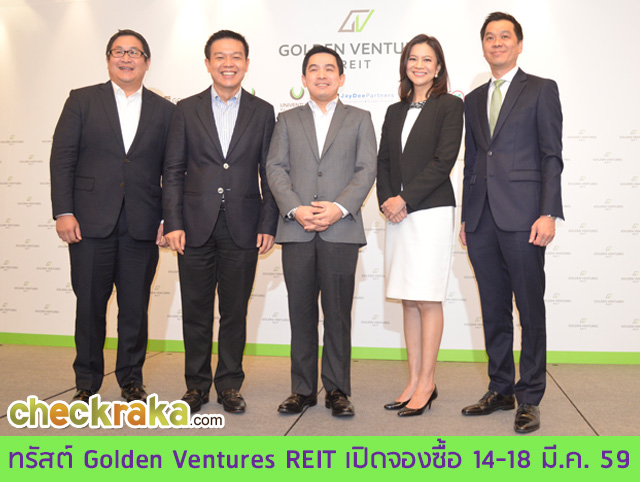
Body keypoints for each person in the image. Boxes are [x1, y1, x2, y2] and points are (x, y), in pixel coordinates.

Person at [50, 29, 175, 403]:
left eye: (134, 52)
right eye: (118, 51)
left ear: (147, 62)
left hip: (143, 223)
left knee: (135, 308)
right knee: (89, 306)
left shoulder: (165, 110)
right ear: (108, 59)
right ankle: (86, 382)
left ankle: (131, 380)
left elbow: (172, 170)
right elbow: (63, 159)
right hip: (89, 223)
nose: (126, 58)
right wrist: (64, 211)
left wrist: (168, 219)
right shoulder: (82, 100)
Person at [163, 30, 278, 414]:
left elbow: (269, 173)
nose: (228, 63)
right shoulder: (185, 109)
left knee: (234, 312)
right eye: (220, 57)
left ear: (246, 63)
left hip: (243, 226)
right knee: (195, 311)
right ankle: (196, 386)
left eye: (236, 57)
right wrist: (173, 221)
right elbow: (173, 170)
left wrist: (268, 223)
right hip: (194, 226)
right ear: (208, 63)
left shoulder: (263, 111)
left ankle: (229, 384)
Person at [460, 12, 563, 433]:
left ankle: (530, 396)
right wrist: (467, 217)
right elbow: (472, 161)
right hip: (481, 218)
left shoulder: (540, 89)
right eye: (490, 37)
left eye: (505, 36)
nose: (497, 42)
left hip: (525, 217)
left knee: (530, 308)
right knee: (493, 308)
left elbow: (551, 155)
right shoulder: (472, 99)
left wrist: (548, 212)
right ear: (483, 46)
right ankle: (500, 387)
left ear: (519, 45)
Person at [266, 46, 377, 417]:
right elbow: (275, 168)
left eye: (330, 69)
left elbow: (366, 169)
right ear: (303, 79)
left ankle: (337, 390)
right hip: (297, 230)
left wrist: (338, 208)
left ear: (341, 78)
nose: (322, 75)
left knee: (337, 315)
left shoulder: (360, 118)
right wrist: (296, 209)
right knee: (300, 314)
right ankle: (302, 390)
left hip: (340, 230)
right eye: (314, 69)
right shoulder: (287, 119)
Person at [377, 34, 463, 417]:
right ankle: (413, 381)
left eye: (427, 60)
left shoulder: (450, 106)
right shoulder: (394, 110)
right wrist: (387, 200)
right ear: (405, 64)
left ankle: (427, 383)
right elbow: (383, 161)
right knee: (408, 299)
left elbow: (444, 161)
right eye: (413, 58)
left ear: (438, 67)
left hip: (430, 212)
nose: (420, 65)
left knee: (427, 297)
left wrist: (405, 199)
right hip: (397, 214)